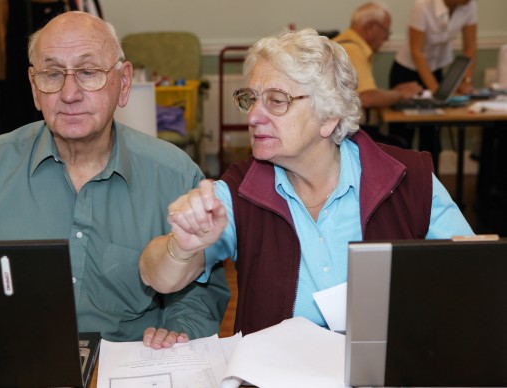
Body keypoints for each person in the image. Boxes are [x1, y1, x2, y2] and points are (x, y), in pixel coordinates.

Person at [139, 28, 474, 346]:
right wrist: (180, 248)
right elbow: (158, 277)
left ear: (329, 117)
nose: (254, 116)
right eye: (251, 99)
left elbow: (472, 277)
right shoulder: (241, 190)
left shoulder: (406, 177)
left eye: (277, 101)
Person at [0, 11, 229, 347]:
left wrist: (177, 329)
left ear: (123, 83)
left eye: (87, 72)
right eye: (52, 74)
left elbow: (201, 291)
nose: (69, 93)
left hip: (128, 365)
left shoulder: (173, 174)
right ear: (35, 89)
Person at [389, 0, 477, 159]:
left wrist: (466, 80)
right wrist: (436, 90)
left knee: (432, 136)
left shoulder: (469, 5)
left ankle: (431, 181)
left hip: (436, 69)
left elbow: (470, 47)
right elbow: (417, 52)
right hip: (407, 71)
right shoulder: (422, 5)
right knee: (403, 135)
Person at [333, 2, 423, 145]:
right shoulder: (352, 50)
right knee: (401, 146)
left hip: (344, 132)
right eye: (386, 31)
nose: (387, 38)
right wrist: (401, 94)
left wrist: (394, 92)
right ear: (370, 27)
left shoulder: (343, 44)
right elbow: (367, 97)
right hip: (353, 135)